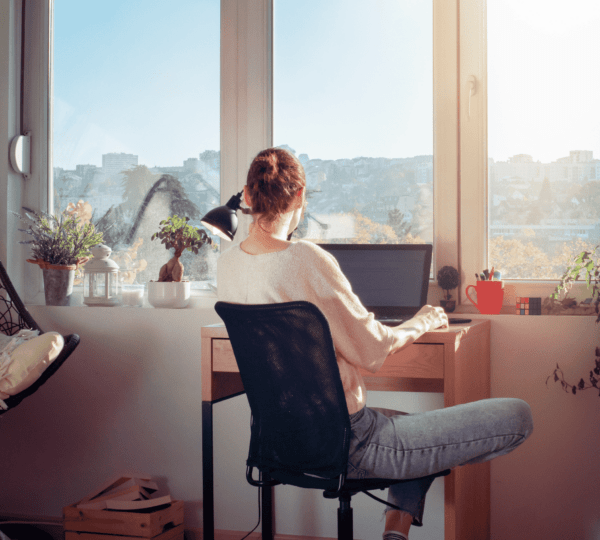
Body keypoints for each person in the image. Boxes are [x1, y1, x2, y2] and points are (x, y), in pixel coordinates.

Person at [217, 147, 533, 540]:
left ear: (246, 196)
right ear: (299, 197)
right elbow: (372, 352)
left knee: (415, 426)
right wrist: (420, 321)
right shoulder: (306, 259)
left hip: (278, 442)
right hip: (350, 444)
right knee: (518, 415)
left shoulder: (227, 263)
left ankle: (394, 533)